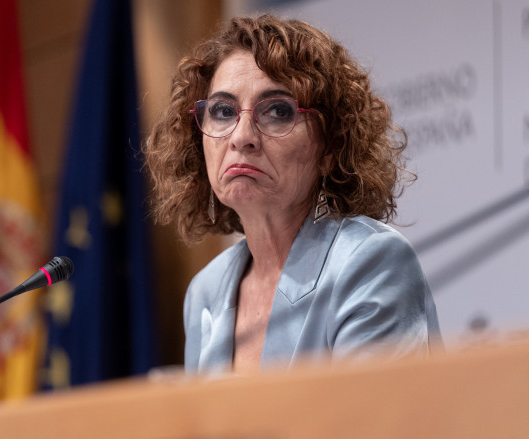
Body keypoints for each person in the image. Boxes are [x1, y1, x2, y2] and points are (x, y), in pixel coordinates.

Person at [143, 14, 441, 375]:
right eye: (223, 111)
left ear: (331, 147)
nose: (241, 137)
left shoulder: (370, 264)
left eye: (278, 112)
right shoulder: (205, 293)